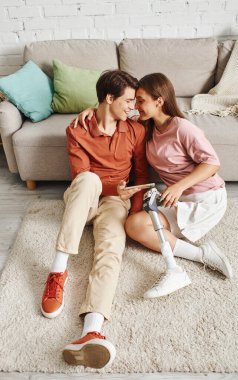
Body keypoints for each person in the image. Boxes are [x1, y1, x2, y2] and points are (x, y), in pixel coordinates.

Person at [76, 72, 233, 299]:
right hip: (178, 199)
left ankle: (182, 266)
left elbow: (212, 163)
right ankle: (202, 254)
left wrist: (179, 187)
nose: (135, 106)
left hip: (206, 198)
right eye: (134, 101)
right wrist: (92, 110)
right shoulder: (145, 126)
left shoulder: (182, 128)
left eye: (140, 101)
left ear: (159, 101)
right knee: (134, 225)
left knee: (143, 227)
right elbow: (111, 111)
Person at [41, 70, 149, 369]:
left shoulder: (136, 130)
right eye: (128, 101)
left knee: (111, 251)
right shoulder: (77, 128)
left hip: (117, 201)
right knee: (89, 179)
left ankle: (91, 330)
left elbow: (141, 174)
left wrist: (135, 210)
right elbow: (80, 179)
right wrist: (116, 187)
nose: (133, 107)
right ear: (108, 98)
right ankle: (57, 272)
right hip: (84, 199)